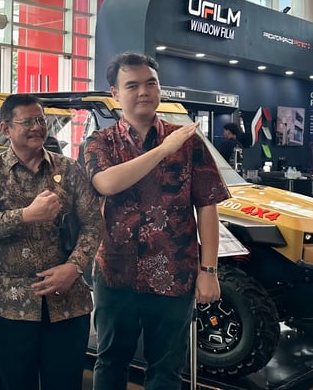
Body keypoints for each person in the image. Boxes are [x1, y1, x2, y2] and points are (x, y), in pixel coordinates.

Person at [82, 52, 229, 390]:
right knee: (111, 362)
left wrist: (209, 272)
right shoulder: (99, 142)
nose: (144, 91)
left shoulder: (188, 141)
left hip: (175, 274)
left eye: (151, 83)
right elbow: (106, 183)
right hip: (116, 274)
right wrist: (163, 149)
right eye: (132, 85)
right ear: (115, 94)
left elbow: (208, 206)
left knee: (166, 370)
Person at [0, 94, 103, 390]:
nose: (37, 127)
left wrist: (75, 267)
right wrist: (25, 215)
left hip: (68, 303)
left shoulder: (69, 170)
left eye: (41, 120)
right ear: (6, 129)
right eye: (27, 121)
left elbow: (93, 222)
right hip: (12, 304)